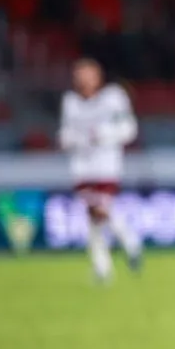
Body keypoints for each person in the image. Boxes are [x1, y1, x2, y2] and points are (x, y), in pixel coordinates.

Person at [58, 58, 142, 282]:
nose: (83, 79)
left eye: (87, 74)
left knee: (99, 211)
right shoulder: (70, 102)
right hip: (81, 168)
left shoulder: (113, 97)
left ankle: (124, 247)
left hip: (106, 165)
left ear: (98, 76)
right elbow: (65, 134)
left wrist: (105, 135)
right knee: (93, 216)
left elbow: (129, 129)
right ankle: (107, 263)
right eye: (79, 75)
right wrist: (72, 140)